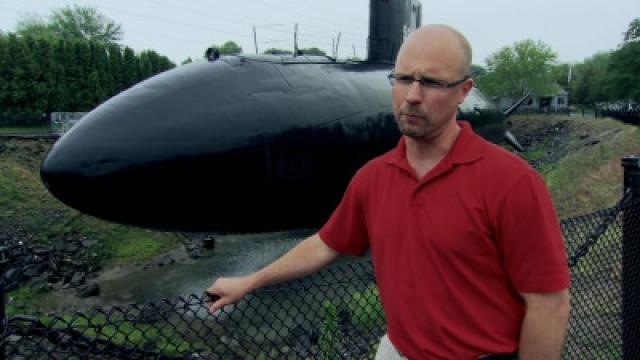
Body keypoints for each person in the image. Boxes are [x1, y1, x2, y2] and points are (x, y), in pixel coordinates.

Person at [206, 24, 571, 359]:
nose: (412, 95)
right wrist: (251, 281)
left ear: (464, 91)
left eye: (430, 82)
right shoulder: (374, 176)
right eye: (403, 78)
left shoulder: (512, 182)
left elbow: (548, 305)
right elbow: (325, 244)